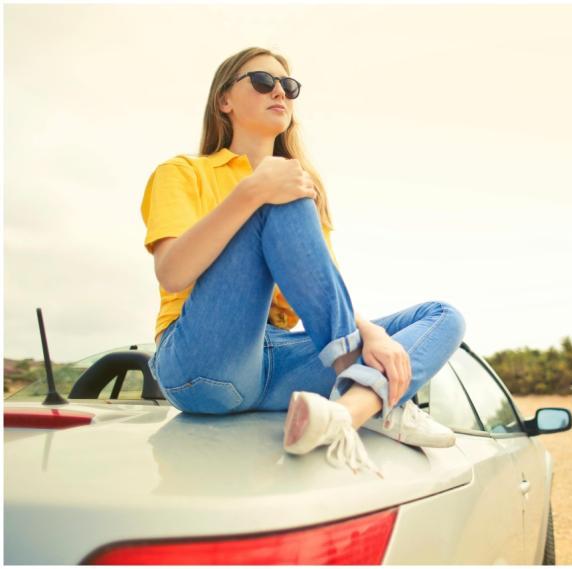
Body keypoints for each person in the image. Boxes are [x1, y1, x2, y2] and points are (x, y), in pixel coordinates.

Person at [141, 47, 467, 478]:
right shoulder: (183, 172)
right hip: (200, 360)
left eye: (289, 86)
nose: (280, 91)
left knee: (442, 316)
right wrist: (252, 192)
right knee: (283, 190)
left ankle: (349, 411)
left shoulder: (303, 187)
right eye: (262, 81)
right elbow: (173, 272)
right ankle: (372, 391)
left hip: (275, 363)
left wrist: (371, 334)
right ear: (225, 100)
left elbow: (317, 292)